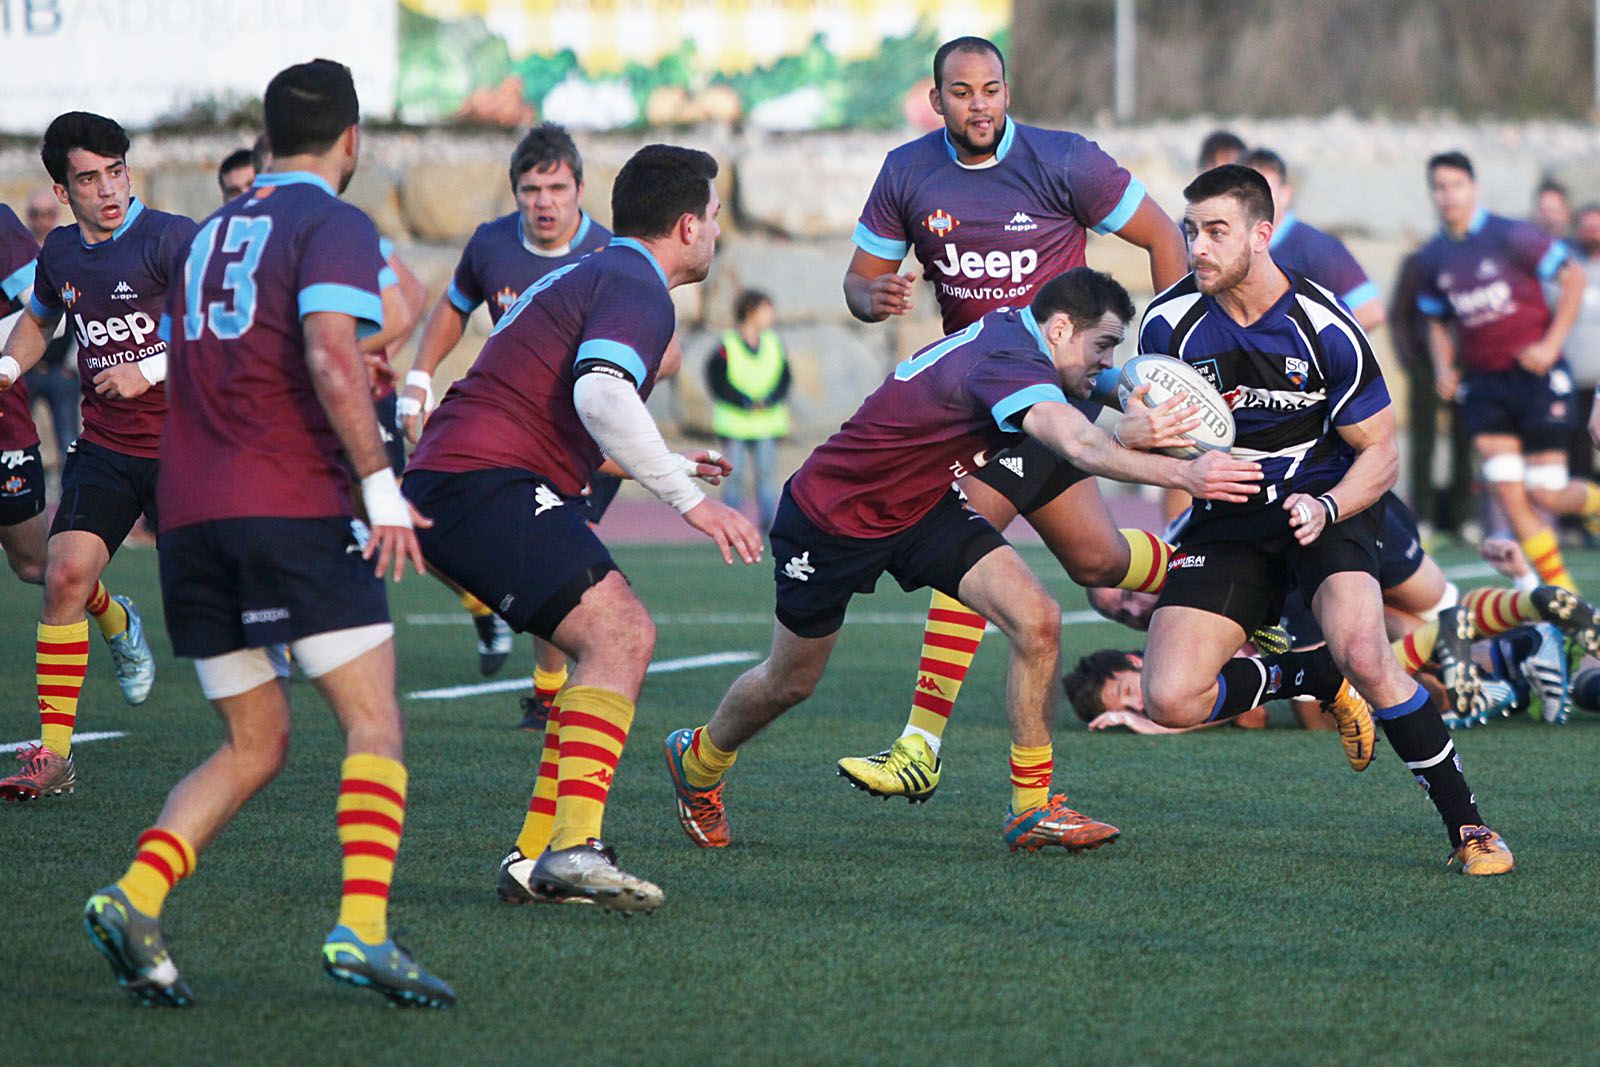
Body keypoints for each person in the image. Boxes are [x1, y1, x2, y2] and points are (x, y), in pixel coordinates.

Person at [82, 59, 454, 1010]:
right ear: (352, 141)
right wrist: (378, 484)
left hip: (192, 521)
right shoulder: (331, 220)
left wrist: (365, 340)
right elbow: (339, 345)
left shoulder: (209, 233)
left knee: (256, 741)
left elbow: (358, 324)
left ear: (267, 135)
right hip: (289, 504)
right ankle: (361, 926)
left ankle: (134, 896)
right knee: (373, 719)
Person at [663, 267, 1262, 853]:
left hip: (925, 509)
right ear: (1058, 330)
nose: (1108, 360)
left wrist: (1143, 398)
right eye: (1102, 345)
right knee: (789, 682)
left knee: (1037, 619)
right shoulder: (1008, 364)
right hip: (833, 521)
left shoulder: (1020, 335)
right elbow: (1078, 444)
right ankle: (700, 758)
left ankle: (1033, 808)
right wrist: (1188, 471)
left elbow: (1093, 385)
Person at [834, 36, 1190, 800]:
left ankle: (920, 744)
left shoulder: (1066, 161)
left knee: (968, 536)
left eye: (991, 89)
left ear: (1007, 89)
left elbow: (1164, 236)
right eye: (962, 93)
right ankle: (1232, 580)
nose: (980, 104)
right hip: (975, 400)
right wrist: (876, 298)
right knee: (1097, 562)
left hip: (1054, 397)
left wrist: (1172, 356)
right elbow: (858, 283)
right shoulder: (907, 172)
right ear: (938, 102)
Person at [404, 143, 757, 911]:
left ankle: (535, 859)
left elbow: (554, 405)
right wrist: (689, 500)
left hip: (462, 478)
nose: (719, 232)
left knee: (595, 643)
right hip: (479, 481)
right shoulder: (637, 281)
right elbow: (600, 395)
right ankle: (575, 845)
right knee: (621, 633)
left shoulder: (593, 272)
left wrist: (660, 458)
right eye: (718, 217)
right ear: (689, 225)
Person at [1135, 163, 1513, 875]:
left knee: (1369, 653)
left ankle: (1471, 828)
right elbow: (1146, 429)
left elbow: (1384, 453)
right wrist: (1153, 447)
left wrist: (1329, 503)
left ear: (1262, 233)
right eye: (1191, 232)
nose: (1198, 248)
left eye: (1216, 231)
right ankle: (1304, 674)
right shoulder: (1168, 322)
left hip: (1327, 502)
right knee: (1169, 698)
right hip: (1229, 517)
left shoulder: (1324, 326)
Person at [0, 112, 194, 802]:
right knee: (61, 573)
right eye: (89, 177)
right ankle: (54, 755)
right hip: (108, 446)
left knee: (220, 598)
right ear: (61, 188)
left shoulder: (172, 237)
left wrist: (150, 369)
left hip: (188, 448)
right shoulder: (59, 253)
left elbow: (220, 325)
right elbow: (40, 318)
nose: (109, 189)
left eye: (117, 170)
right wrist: (7, 365)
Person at [401, 123, 614, 723]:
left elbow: (663, 343)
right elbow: (453, 306)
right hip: (512, 428)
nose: (544, 201)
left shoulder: (610, 253)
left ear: (579, 187)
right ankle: (493, 618)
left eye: (556, 187)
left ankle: (551, 692)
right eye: (530, 189)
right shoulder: (491, 245)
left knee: (560, 557)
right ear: (514, 191)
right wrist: (419, 377)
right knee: (420, 519)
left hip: (582, 432)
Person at [1417, 151, 1596, 591]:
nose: (1448, 195)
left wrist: (1551, 344)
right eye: (1440, 187)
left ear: (1473, 188)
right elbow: (1437, 320)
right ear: (1432, 193)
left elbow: (1572, 277)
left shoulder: (1511, 235)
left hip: (1536, 379)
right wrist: (1445, 367)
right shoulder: (1433, 256)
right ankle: (1563, 599)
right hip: (1484, 386)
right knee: (1510, 495)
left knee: (1546, 494)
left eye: (1456, 185)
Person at [1239, 147, 1385, 331]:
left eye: (1264, 189)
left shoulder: (1317, 248)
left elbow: (1370, 311)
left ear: (1285, 194)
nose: (1254, 200)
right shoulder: (1229, 249)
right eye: (1245, 192)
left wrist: (1309, 347)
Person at [705, 288, 790, 529]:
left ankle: (769, 524)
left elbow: (785, 376)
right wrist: (741, 400)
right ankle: (731, 522)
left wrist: (771, 399)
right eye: (766, 310)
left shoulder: (774, 342)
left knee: (766, 475)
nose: (771, 316)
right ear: (751, 312)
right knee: (734, 477)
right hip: (735, 423)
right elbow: (716, 379)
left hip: (766, 422)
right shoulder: (728, 344)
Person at [0, 204, 48, 586]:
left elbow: (52, 318)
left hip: (5, 431)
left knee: (35, 565)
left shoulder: (1, 225)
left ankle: (115, 617)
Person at [21, 186, 79, 471]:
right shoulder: (18, 259)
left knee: (69, 440)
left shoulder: (68, 254)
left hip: (61, 369)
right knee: (16, 443)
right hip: (26, 368)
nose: (42, 220)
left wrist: (72, 362)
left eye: (48, 214)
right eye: (36, 214)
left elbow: (82, 311)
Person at [1562, 204, 1600, 489]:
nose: (1592, 233)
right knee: (1576, 448)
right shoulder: (1569, 268)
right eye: (1586, 226)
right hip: (1573, 377)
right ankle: (1581, 519)